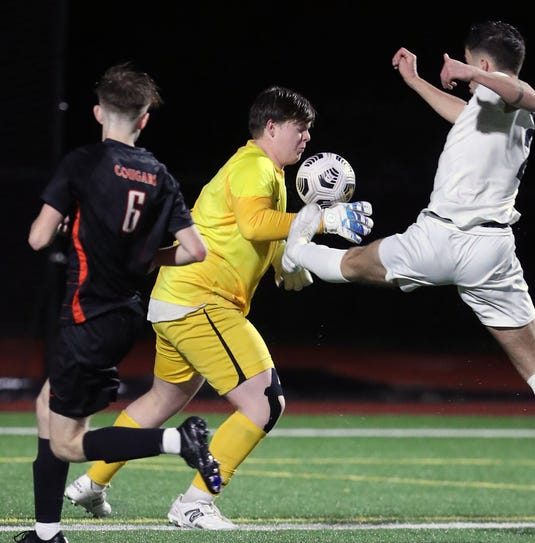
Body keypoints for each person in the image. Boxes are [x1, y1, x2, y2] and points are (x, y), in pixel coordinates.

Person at [282, 20, 535, 508]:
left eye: (474, 69)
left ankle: (296, 247)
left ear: (486, 65)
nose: (468, 80)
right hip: (492, 254)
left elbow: (529, 95)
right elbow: (465, 113)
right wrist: (417, 82)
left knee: (351, 265)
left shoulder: (512, 99)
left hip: (443, 236)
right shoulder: (491, 111)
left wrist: (461, 69)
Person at [63, 85, 374, 529]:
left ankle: (91, 483)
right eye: (299, 128)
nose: (307, 138)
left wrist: (285, 264)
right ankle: (195, 503)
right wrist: (322, 218)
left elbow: (244, 237)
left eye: (309, 131)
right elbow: (253, 224)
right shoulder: (256, 165)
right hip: (201, 301)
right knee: (265, 403)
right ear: (271, 127)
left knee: (160, 399)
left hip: (175, 298)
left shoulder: (266, 173)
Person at [14, 63, 222, 543]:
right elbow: (194, 251)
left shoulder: (83, 162)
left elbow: (37, 237)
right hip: (125, 316)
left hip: (87, 315)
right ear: (144, 119)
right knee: (49, 409)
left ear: (97, 111)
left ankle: (177, 441)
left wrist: (66, 230)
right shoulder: (160, 176)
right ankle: (47, 534)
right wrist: (150, 259)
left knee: (66, 443)